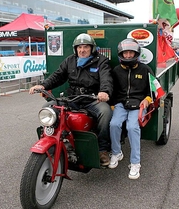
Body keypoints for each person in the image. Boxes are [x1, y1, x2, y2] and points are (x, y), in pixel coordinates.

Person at [29, 33, 113, 166]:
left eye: (86, 47)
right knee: (49, 107)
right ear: (75, 49)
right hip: (73, 97)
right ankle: (53, 140)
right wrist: (43, 85)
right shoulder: (70, 60)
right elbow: (57, 76)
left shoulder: (101, 61)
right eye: (79, 47)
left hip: (92, 99)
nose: (82, 50)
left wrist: (104, 91)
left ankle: (102, 149)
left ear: (92, 48)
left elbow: (106, 78)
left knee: (105, 112)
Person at [109, 38, 155, 179]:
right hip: (121, 104)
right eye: (125, 53)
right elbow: (112, 90)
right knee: (114, 124)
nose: (128, 55)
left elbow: (152, 91)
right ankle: (116, 152)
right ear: (121, 54)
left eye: (131, 52)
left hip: (139, 105)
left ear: (136, 53)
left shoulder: (145, 69)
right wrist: (112, 104)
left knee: (132, 127)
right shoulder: (116, 70)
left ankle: (135, 162)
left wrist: (147, 100)